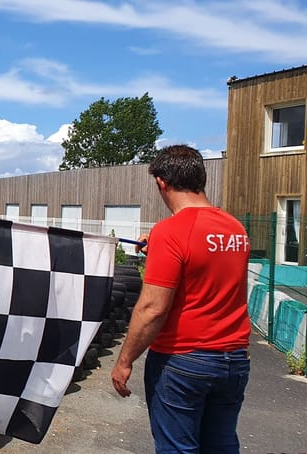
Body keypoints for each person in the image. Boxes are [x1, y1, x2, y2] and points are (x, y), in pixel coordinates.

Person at [110, 145, 251, 453]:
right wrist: (158, 250)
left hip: (183, 361)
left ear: (162, 182)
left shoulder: (171, 232)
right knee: (222, 445)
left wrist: (124, 361)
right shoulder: (235, 229)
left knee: (177, 448)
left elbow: (152, 309)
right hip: (234, 360)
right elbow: (205, 270)